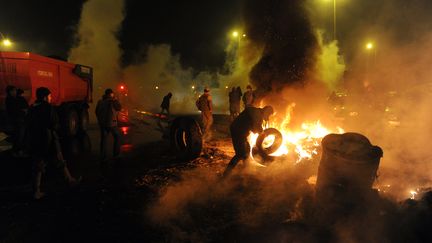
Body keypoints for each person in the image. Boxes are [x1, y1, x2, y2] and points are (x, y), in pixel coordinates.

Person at [26, 87, 80, 199]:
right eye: (50, 96)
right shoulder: (48, 108)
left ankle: (36, 190)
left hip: (36, 139)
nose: (50, 98)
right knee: (59, 159)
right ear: (45, 97)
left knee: (38, 163)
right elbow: (54, 123)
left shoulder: (32, 108)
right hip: (49, 138)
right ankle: (70, 181)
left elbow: (28, 123)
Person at [223, 106, 274, 177]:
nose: (268, 117)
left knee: (247, 150)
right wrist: (263, 134)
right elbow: (256, 128)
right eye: (268, 115)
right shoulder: (257, 114)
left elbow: (254, 128)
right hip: (238, 131)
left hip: (240, 131)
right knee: (240, 154)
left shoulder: (257, 113)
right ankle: (226, 174)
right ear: (266, 111)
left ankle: (246, 172)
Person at [95, 88, 122, 166]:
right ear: (110, 94)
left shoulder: (100, 102)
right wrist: (116, 100)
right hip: (112, 124)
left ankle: (103, 157)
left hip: (102, 124)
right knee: (117, 137)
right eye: (112, 93)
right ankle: (116, 155)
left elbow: (96, 111)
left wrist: (100, 120)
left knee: (104, 140)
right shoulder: (112, 101)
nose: (113, 95)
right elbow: (119, 107)